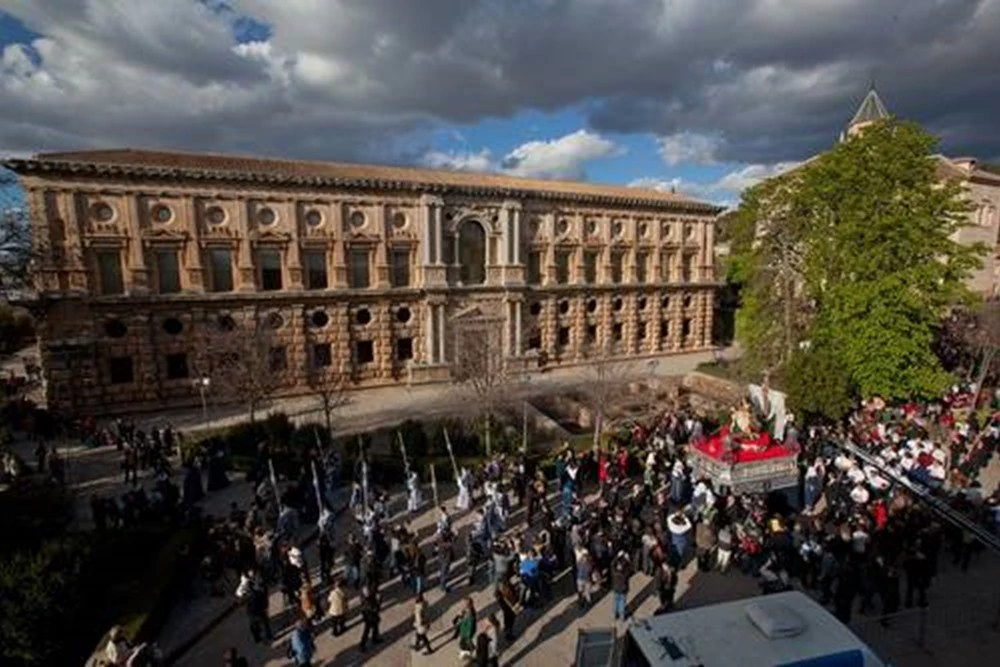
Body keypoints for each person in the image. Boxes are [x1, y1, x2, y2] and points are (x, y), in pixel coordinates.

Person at [359, 585, 382, 652]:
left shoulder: (364, 598)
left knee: (375, 627)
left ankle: (374, 638)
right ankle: (362, 644)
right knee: (367, 630)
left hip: (369, 616)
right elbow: (375, 608)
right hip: (370, 617)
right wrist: (378, 600)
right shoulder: (368, 601)